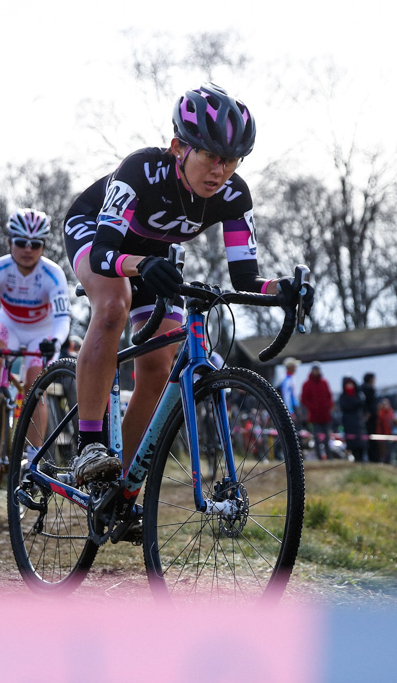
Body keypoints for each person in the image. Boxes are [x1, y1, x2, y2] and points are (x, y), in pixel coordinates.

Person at [60, 84, 305, 486]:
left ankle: (121, 489)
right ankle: (89, 446)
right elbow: (104, 252)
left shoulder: (235, 195)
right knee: (113, 305)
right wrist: (140, 265)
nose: (219, 171)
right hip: (96, 233)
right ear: (178, 147)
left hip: (156, 256)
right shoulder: (141, 169)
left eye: (231, 160)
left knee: (159, 364)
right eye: (210, 156)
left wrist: (281, 290)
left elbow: (246, 278)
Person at [0, 209, 70, 412]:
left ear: (43, 246)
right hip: (9, 325)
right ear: (9, 242)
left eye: (35, 244)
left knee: (35, 389)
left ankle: (30, 435)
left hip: (42, 333)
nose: (28, 250)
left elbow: (62, 316)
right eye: (21, 242)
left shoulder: (53, 274)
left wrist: (55, 341)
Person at [300, 365, 335, 460]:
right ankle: (319, 456)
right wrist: (312, 407)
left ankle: (329, 455)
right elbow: (304, 399)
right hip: (314, 416)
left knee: (327, 437)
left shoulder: (324, 382)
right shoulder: (307, 384)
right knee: (317, 437)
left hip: (325, 415)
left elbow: (329, 396)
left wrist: (328, 406)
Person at [338, 376, 368, 462]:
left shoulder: (359, 395)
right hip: (349, 424)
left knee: (361, 446)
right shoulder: (343, 397)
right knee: (353, 446)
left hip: (359, 424)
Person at [361, 372, 380, 462]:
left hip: (369, 417)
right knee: (372, 439)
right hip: (370, 418)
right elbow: (369, 402)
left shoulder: (362, 388)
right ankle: (373, 458)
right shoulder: (368, 389)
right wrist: (369, 412)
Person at [277, 357, 302, 424]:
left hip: (294, 407)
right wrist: (290, 411)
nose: (296, 368)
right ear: (291, 367)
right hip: (292, 408)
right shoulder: (287, 379)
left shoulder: (291, 378)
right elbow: (286, 396)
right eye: (294, 366)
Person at [375, 395, 397, 465]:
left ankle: (390, 463)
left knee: (390, 452)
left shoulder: (390, 412)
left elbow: (393, 421)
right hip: (383, 436)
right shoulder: (380, 413)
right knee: (384, 452)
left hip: (390, 434)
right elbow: (379, 425)